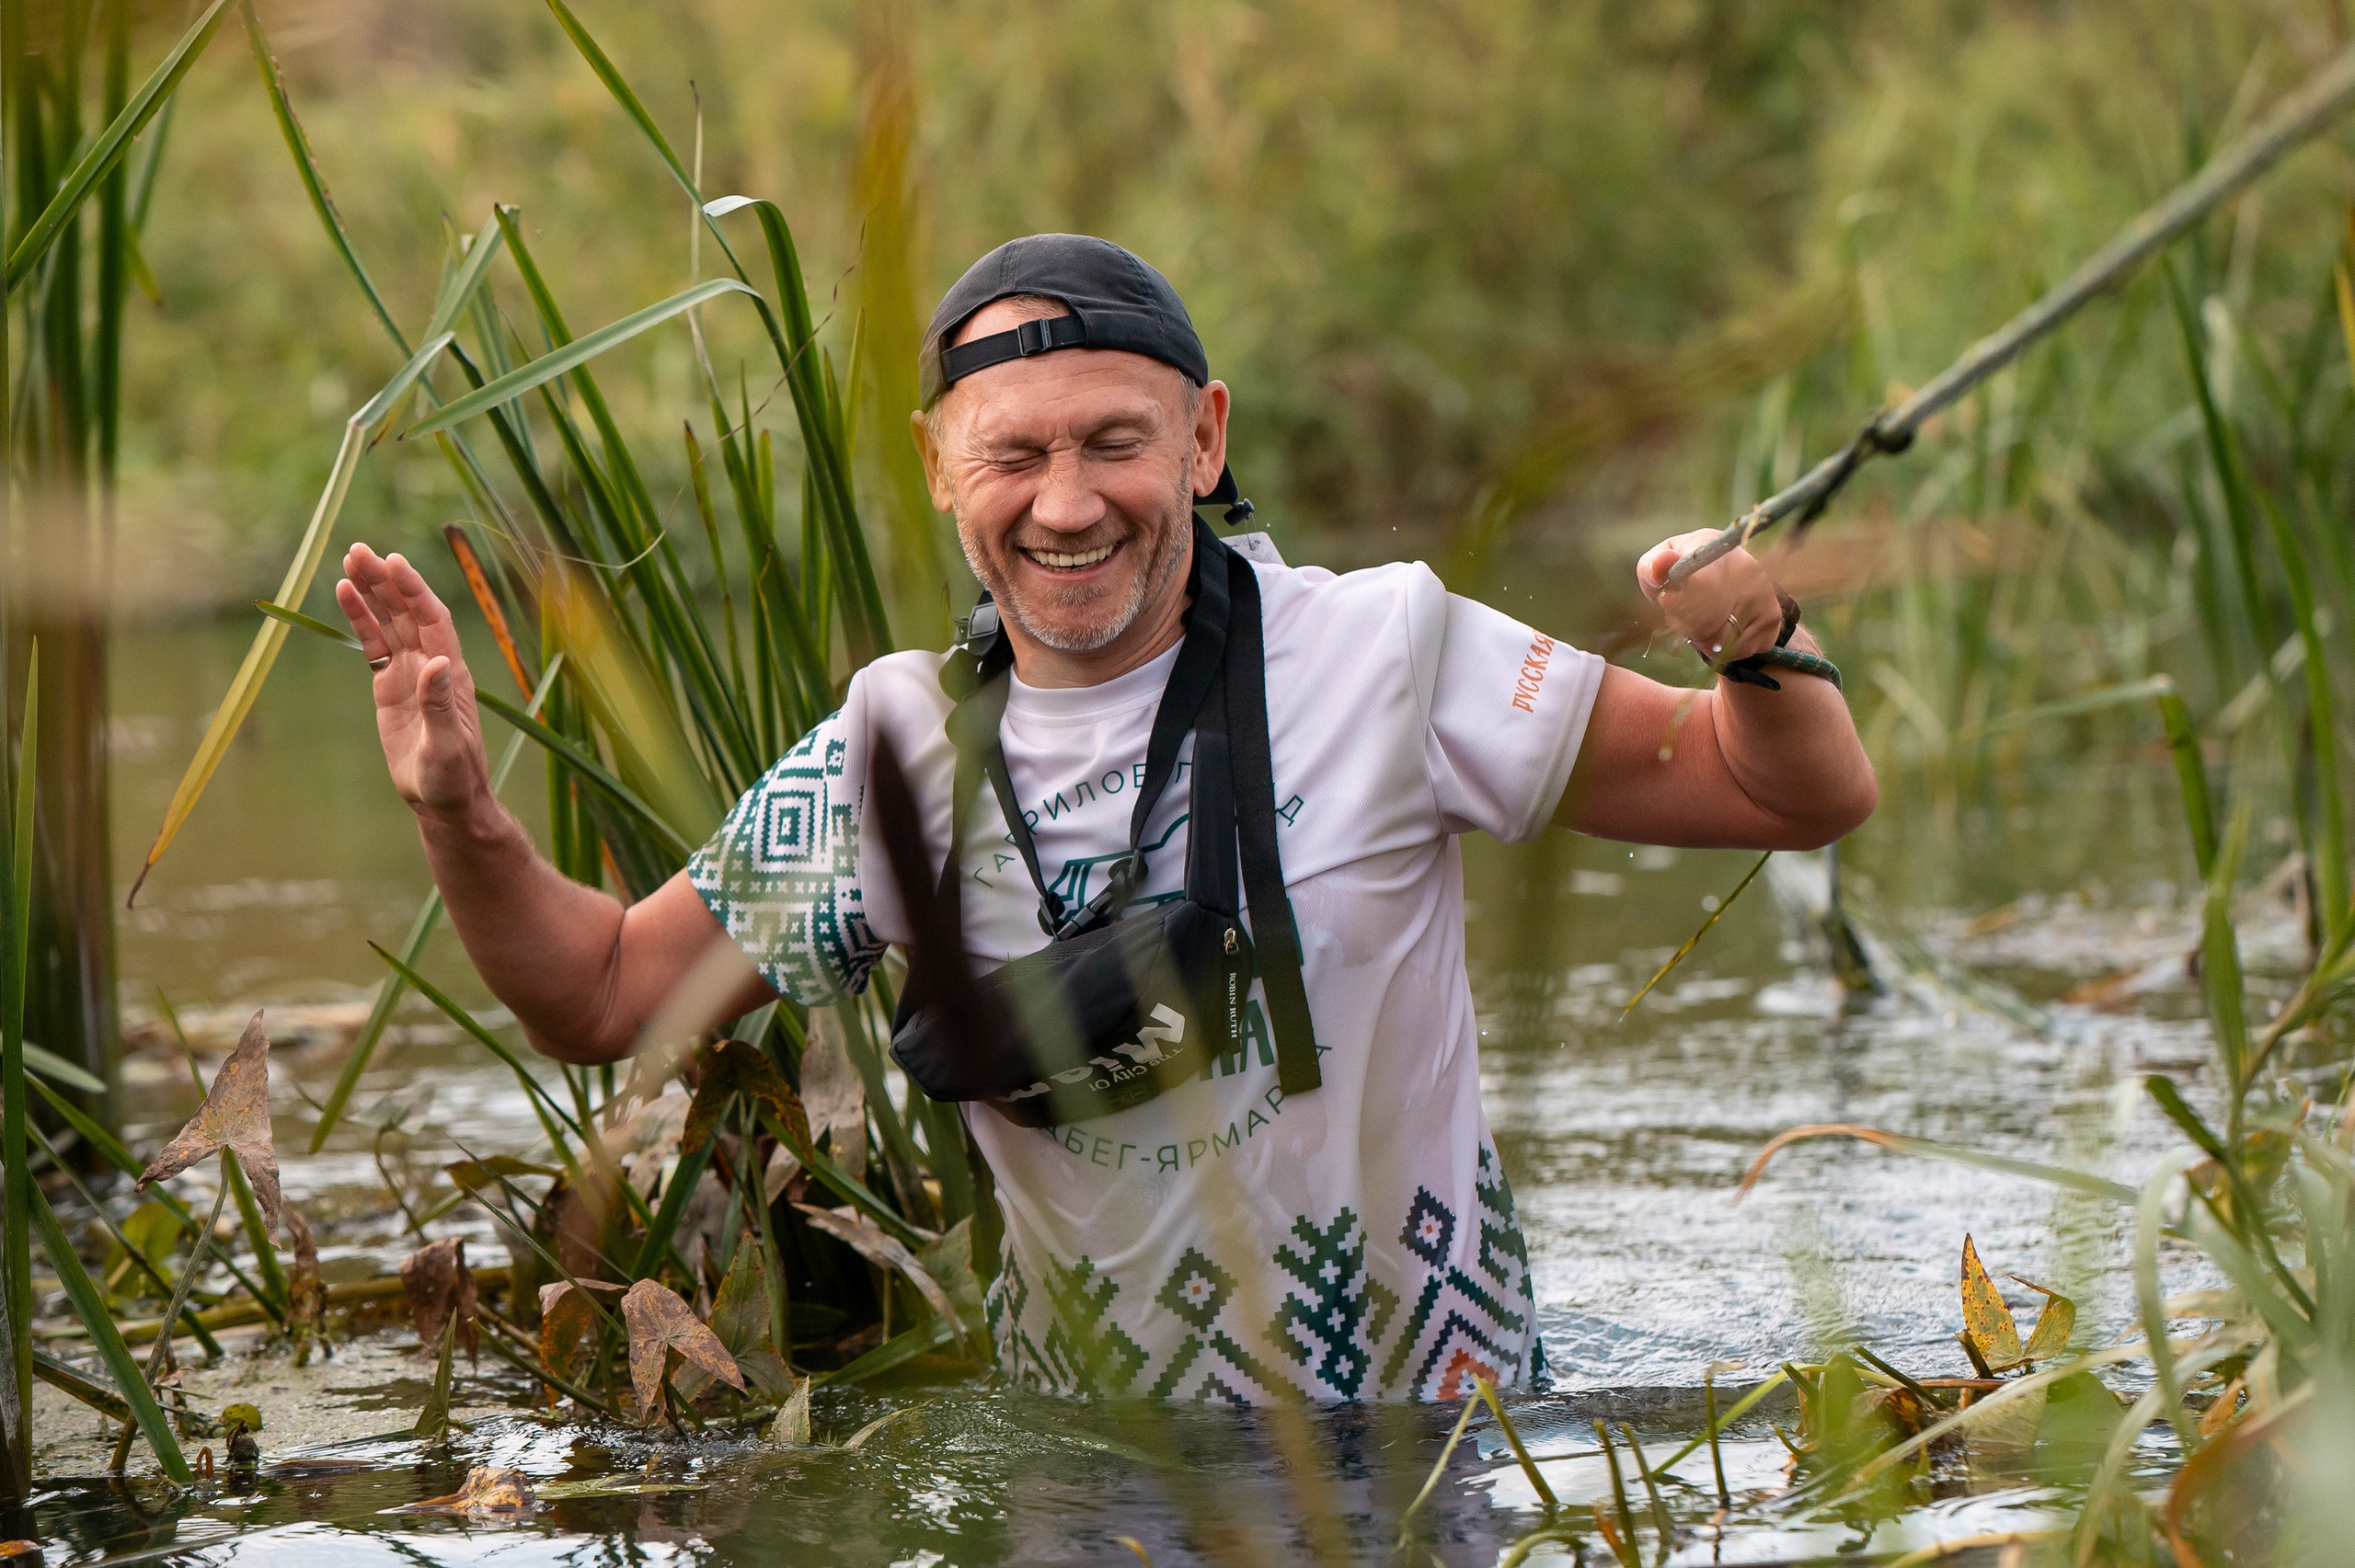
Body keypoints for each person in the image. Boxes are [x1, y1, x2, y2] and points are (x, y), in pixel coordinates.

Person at [334, 234, 1876, 1402]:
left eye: (1112, 442)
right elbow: (603, 993)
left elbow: (1789, 789)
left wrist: (1756, 637)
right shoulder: (895, 743)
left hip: (1432, 1452)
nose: (1064, 501)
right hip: (1093, 1483)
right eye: (1012, 452)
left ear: (1201, 441)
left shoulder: (1389, 648)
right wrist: (464, 813)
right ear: (946, 469)